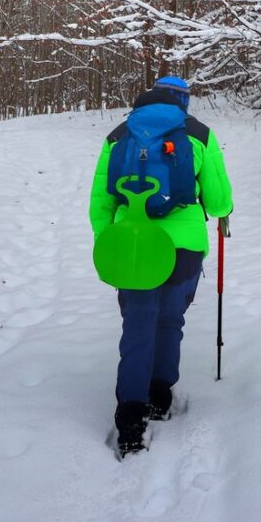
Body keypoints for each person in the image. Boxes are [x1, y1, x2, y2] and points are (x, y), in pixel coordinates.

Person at [89, 76, 233, 458]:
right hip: (183, 246)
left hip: (132, 241)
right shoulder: (200, 134)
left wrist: (111, 242)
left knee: (138, 324)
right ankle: (160, 393)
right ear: (183, 102)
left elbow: (100, 201)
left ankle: (131, 418)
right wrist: (222, 212)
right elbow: (218, 202)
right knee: (171, 319)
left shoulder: (119, 134)